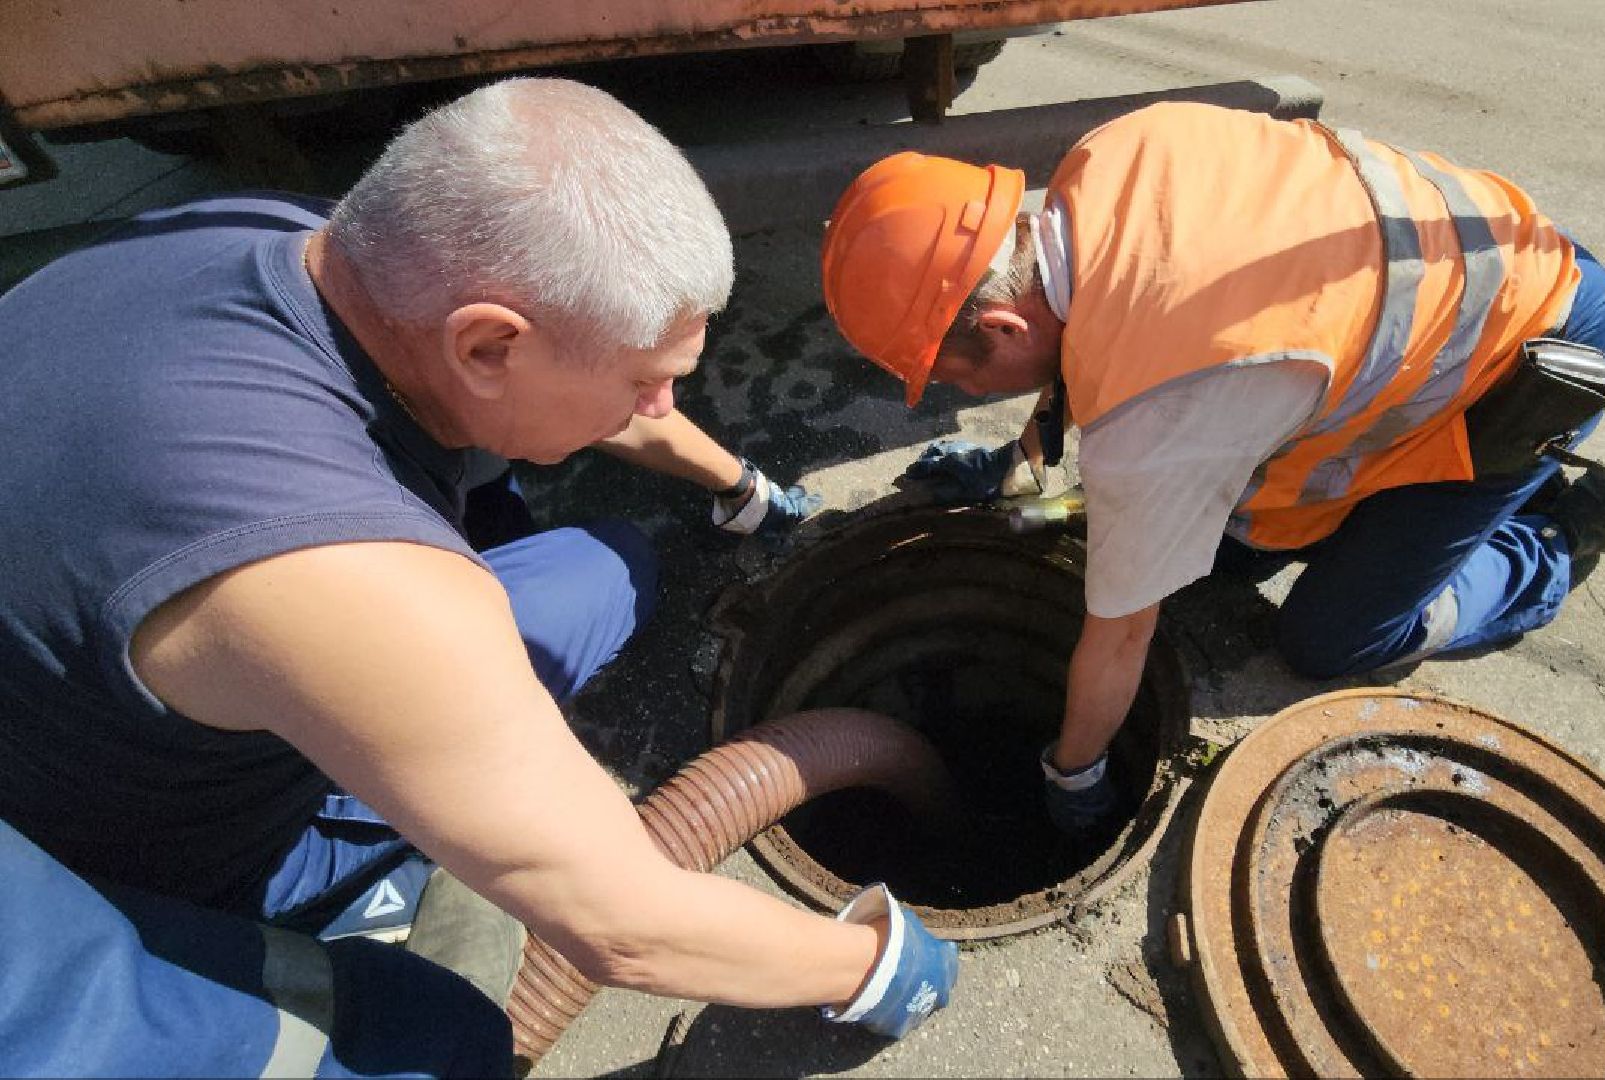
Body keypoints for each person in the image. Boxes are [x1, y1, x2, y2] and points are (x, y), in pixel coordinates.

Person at [0, 78, 953, 1075]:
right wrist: (884, 966)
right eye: (643, 381)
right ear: (488, 345)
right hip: (136, 870)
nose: (664, 404)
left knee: (610, 569)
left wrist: (742, 487)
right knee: (446, 1040)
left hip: (147, 690)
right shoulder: (353, 578)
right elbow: (630, 929)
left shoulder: (299, 246)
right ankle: (340, 934)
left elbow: (596, 388)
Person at [819, 103, 1605, 834]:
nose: (962, 391)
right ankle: (1469, 509)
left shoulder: (1166, 404)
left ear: (1001, 324)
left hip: (1521, 363)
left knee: (1332, 640)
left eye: (957, 376)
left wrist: (1070, 772)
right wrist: (1015, 462)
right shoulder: (1111, 158)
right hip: (1475, 269)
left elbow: (1120, 640)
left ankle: (1550, 535)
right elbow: (1100, 335)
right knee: (1225, 557)